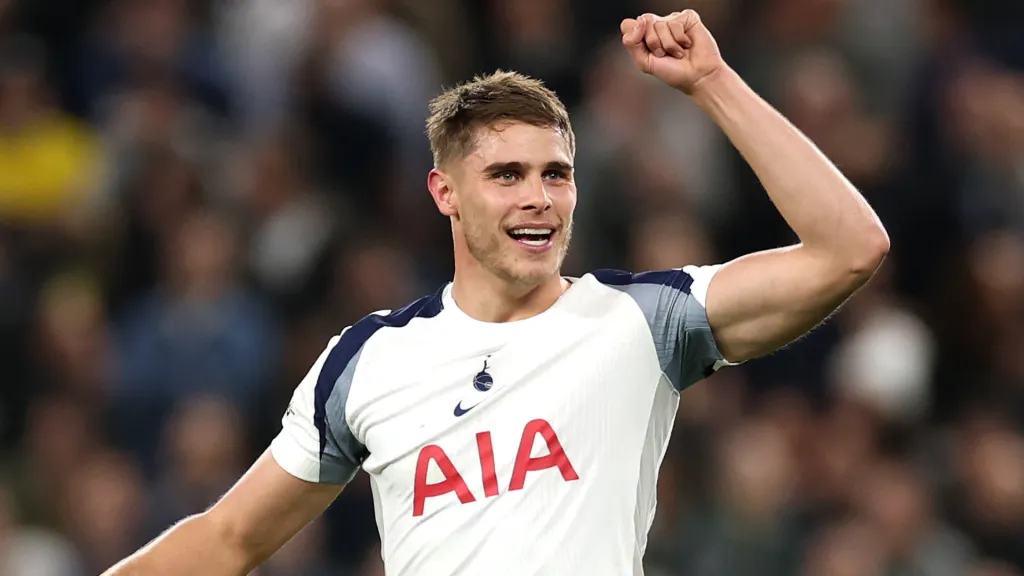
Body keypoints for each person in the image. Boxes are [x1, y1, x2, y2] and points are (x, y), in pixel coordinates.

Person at [102, 9, 889, 576]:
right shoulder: (368, 358)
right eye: (506, 175)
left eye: (556, 174)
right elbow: (229, 539)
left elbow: (850, 250)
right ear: (445, 193)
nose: (538, 197)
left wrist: (714, 83)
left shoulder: (641, 320)